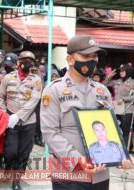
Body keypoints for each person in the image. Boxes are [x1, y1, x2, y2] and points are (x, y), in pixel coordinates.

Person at [40, 35, 134, 190]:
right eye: (85, 56)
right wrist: (79, 160)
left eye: (94, 56)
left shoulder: (101, 90)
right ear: (70, 59)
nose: (91, 61)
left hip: (100, 175)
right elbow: (50, 132)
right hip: (69, 174)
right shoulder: (54, 90)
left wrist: (121, 154)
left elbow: (113, 127)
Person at [0, 51, 42, 190]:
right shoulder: (8, 78)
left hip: (28, 122)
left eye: (30, 61)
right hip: (11, 120)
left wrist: (18, 116)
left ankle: (16, 181)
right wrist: (5, 114)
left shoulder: (36, 80)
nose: (27, 63)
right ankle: (8, 165)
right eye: (24, 60)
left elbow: (34, 101)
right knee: (10, 152)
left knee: (23, 153)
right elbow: (0, 96)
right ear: (18, 63)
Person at [104, 64, 134, 146]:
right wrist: (109, 76)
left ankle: (124, 148)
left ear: (128, 72)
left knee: (125, 130)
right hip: (116, 109)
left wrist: (124, 99)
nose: (121, 73)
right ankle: (116, 147)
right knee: (115, 129)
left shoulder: (132, 82)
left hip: (127, 109)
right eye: (120, 71)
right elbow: (105, 84)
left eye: (123, 71)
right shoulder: (117, 81)